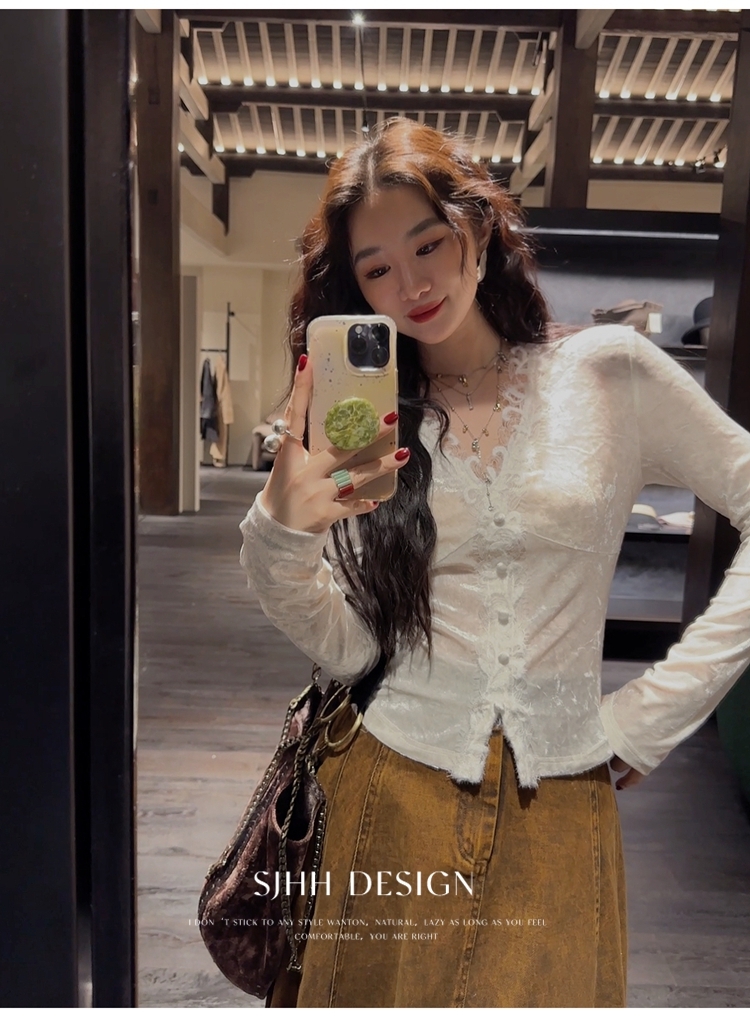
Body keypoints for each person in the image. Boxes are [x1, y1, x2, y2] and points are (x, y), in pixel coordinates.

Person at [238, 118, 750, 1007]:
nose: (412, 284)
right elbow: (354, 646)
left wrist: (657, 710)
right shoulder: (373, 418)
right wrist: (280, 534)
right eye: (376, 268)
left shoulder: (610, 375)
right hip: (391, 792)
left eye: (428, 243)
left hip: (563, 802)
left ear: (476, 229)